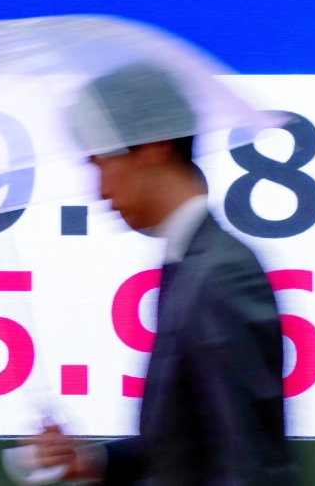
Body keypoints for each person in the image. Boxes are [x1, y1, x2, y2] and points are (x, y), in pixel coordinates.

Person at [26, 64, 299, 485]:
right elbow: (187, 445)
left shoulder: (221, 275)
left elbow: (249, 463)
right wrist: (93, 461)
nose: (99, 189)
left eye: (102, 161)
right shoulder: (191, 266)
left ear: (153, 145)